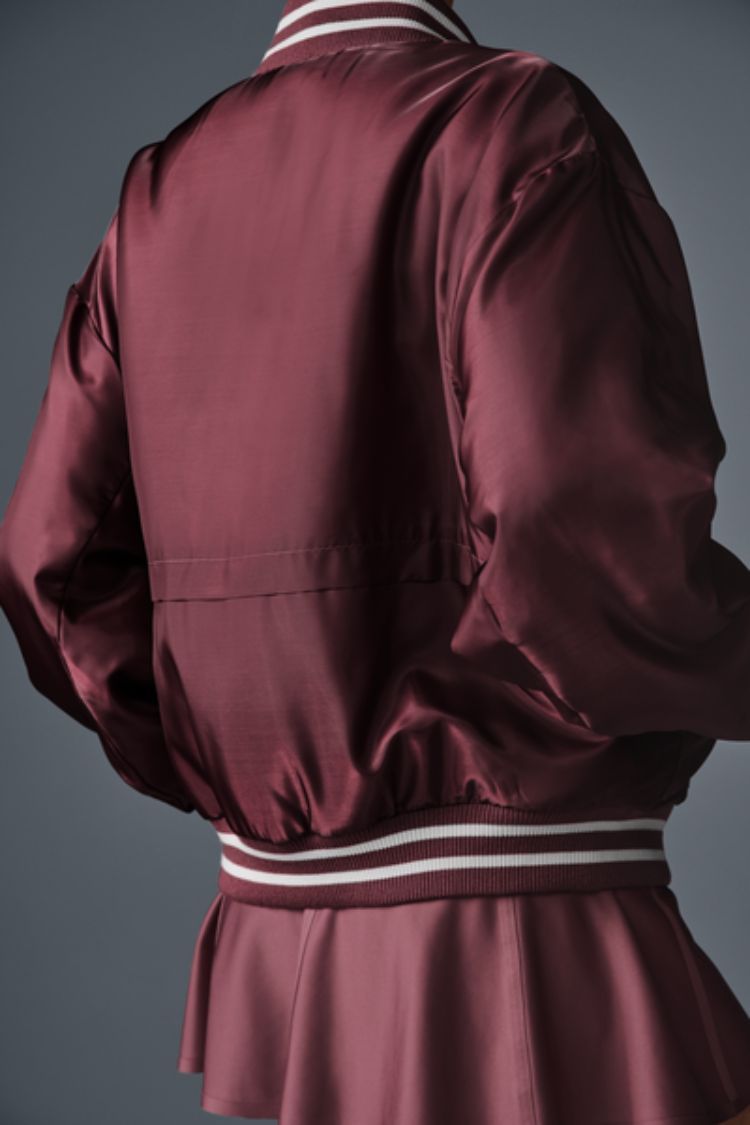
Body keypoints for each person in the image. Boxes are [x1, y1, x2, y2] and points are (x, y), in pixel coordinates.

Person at [2, 1, 750, 1121]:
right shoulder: (509, 120)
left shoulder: (162, 187)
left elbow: (49, 562)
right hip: (519, 910)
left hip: (281, 928)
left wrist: (244, 759)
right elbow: (575, 526)